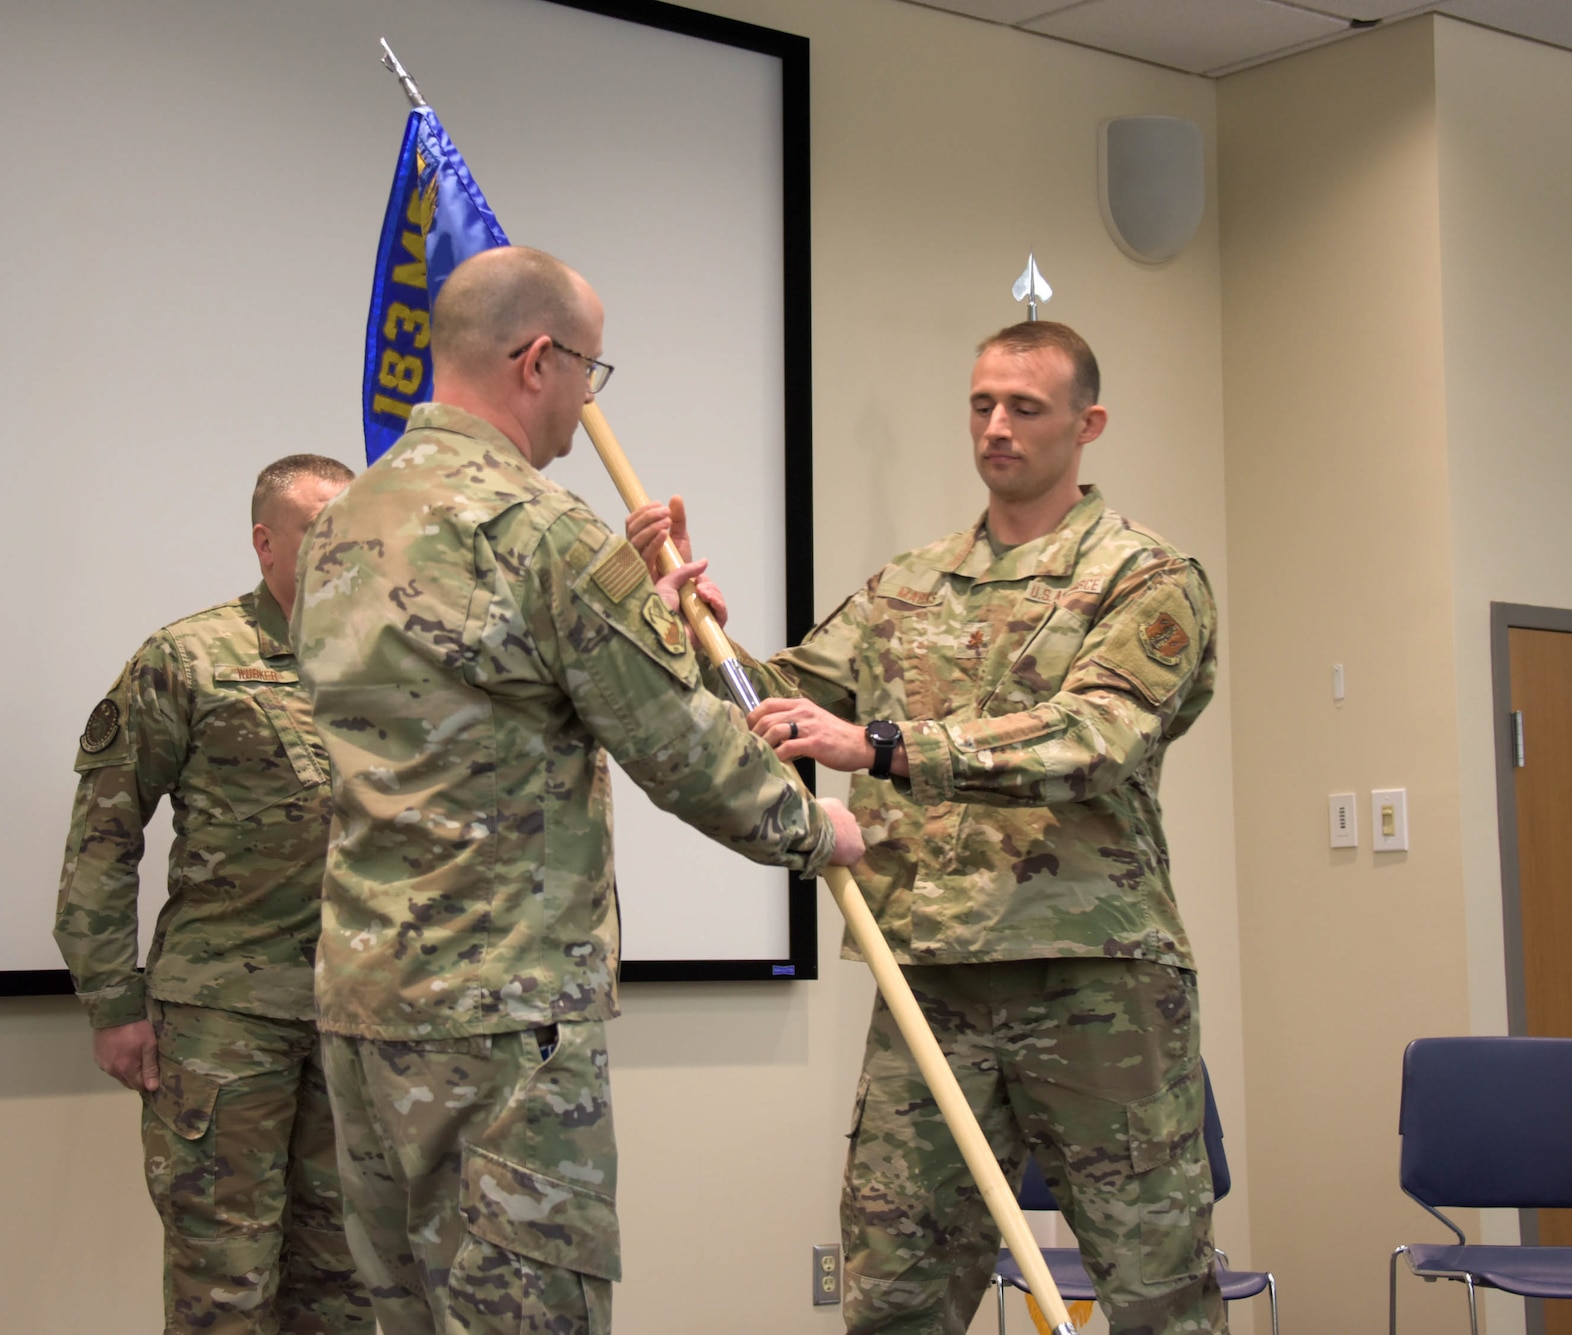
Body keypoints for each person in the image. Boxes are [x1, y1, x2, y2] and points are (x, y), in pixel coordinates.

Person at [291, 245, 864, 1335]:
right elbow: (678, 748)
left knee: (401, 1313)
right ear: (537, 359)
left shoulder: (341, 526)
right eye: (588, 374)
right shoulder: (539, 529)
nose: (583, 406)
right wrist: (817, 831)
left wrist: (640, 610)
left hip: (362, 1008)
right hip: (503, 1022)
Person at [627, 321, 1224, 1335]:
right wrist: (688, 625)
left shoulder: (1144, 576)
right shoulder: (909, 585)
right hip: (929, 982)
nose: (994, 427)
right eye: (980, 404)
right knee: (893, 1289)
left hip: (1091, 977)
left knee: (1152, 1288)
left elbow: (1098, 736)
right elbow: (774, 705)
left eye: (1023, 408)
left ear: (1088, 425)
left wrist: (891, 747)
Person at [53, 453, 372, 1335]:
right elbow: (104, 840)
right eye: (319, 530)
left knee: (347, 1287)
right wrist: (114, 1004)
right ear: (266, 541)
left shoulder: (396, 662)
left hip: (360, 1024)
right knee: (223, 1290)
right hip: (225, 1024)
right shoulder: (191, 658)